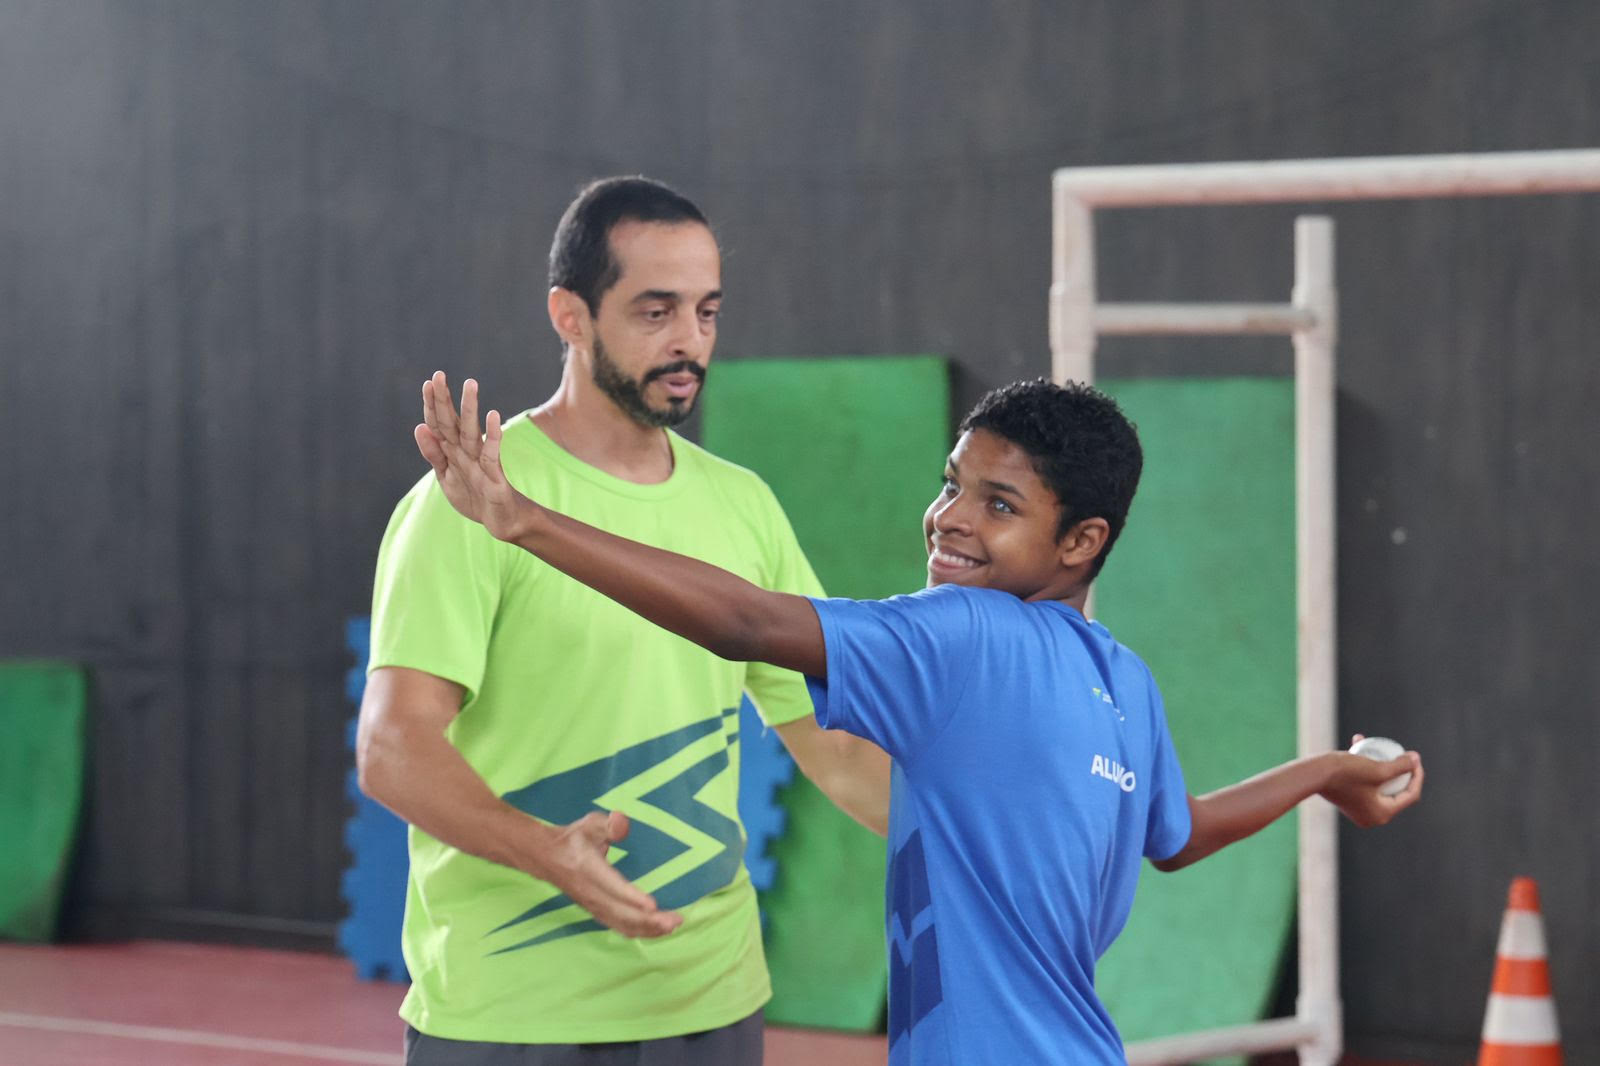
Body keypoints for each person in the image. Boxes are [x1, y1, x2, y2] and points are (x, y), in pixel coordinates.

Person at [410, 372, 1427, 1066]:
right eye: (950, 484)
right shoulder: (1124, 678)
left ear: (1081, 539)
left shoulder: (963, 637)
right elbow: (1177, 834)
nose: (948, 517)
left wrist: (525, 520)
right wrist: (1324, 773)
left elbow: (746, 619)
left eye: (997, 504)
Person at [357, 176, 889, 1066]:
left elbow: (834, 744)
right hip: (514, 1016)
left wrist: (994, 840)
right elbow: (392, 747)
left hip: (711, 1006)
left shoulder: (744, 508)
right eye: (656, 312)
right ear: (570, 314)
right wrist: (544, 851)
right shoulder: (468, 499)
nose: (690, 342)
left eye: (707, 312)